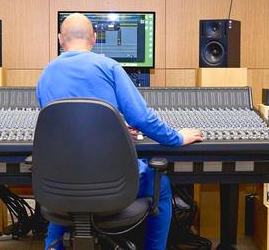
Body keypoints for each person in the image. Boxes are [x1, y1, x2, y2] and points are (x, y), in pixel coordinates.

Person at [36, 13, 204, 250]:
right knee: (162, 187)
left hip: (62, 184)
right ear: (94, 39)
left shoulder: (46, 75)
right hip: (113, 184)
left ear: (60, 39)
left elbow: (61, 125)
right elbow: (141, 118)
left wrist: (113, 127)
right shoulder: (108, 67)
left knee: (66, 194)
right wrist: (177, 137)